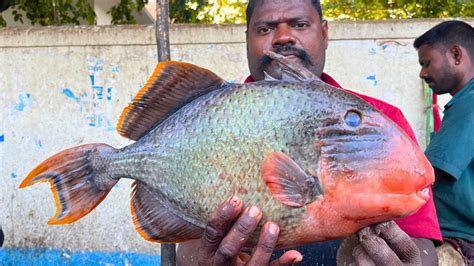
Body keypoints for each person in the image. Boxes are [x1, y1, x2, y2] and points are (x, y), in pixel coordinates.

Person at [177, 0, 442, 264]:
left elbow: (421, 247)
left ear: (324, 33)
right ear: (247, 39)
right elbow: (188, 244)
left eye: (299, 24)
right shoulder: (206, 122)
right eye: (264, 29)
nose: (283, 37)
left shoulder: (383, 119)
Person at [414, 20, 474, 265]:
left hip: (461, 238)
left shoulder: (469, 103)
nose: (422, 73)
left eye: (426, 63)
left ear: (456, 54)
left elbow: (429, 174)